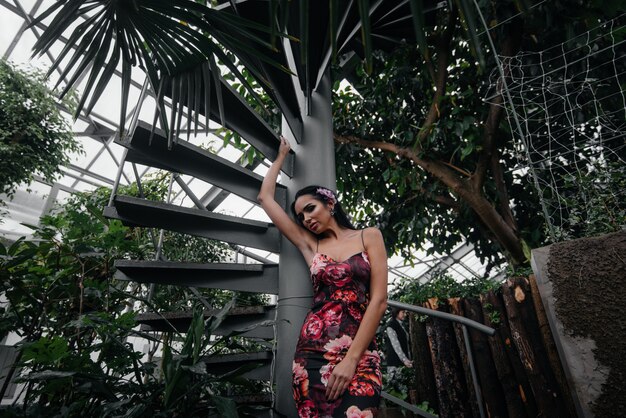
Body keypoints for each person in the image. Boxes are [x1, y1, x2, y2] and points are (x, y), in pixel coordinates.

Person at [257, 136, 388, 417]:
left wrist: (352, 359)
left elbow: (378, 301)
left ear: (329, 203)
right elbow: (265, 198)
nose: (306, 220)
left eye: (310, 209)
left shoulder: (370, 236)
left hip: (360, 353)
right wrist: (280, 157)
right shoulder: (311, 245)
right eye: (300, 217)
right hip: (312, 355)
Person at [384, 308, 412, 384]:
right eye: (403, 312)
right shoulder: (391, 325)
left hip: (403, 363)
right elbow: (395, 345)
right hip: (395, 362)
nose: (405, 315)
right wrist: (404, 359)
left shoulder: (402, 325)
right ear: (396, 313)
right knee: (395, 387)